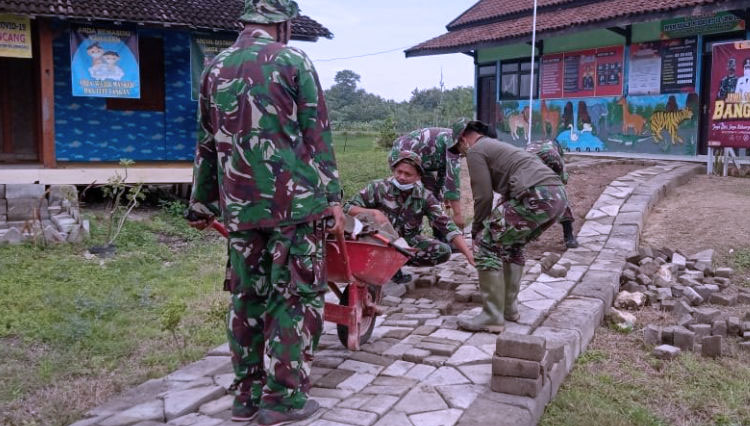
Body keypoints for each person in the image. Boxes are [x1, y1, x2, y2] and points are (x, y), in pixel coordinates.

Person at [186, 1, 344, 424]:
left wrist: (201, 203)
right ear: (283, 24)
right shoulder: (293, 59)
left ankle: (246, 397)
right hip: (295, 207)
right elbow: (317, 134)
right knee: (293, 299)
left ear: (245, 22)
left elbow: (206, 141)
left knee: (247, 298)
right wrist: (333, 198)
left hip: (240, 208)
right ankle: (283, 401)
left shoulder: (214, 68)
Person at [449, 119, 567, 332]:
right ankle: (508, 309)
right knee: (512, 245)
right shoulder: (497, 146)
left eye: (458, 148)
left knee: (486, 244)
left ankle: (491, 316)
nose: (461, 153)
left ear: (463, 138)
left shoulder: (476, 150)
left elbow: (483, 196)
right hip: (556, 197)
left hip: (536, 196)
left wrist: (477, 230)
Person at [344, 151, 474, 278]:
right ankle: (382, 266)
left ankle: (395, 266)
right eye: (399, 172)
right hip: (378, 241)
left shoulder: (425, 196)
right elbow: (347, 208)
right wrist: (373, 212)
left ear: (418, 177)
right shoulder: (377, 187)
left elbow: (447, 225)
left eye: (408, 174)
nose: (401, 177)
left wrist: (468, 254)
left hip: (406, 243)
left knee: (443, 251)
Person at [389, 127, 465, 241]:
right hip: (403, 155)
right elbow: (452, 177)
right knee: (413, 194)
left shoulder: (462, 143)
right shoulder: (454, 141)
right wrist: (458, 215)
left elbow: (444, 171)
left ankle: (441, 235)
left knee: (434, 198)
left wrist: (443, 194)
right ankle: (406, 234)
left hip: (424, 162)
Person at [526, 139, 578, 248]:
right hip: (534, 166)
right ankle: (569, 237)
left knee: (525, 199)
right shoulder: (553, 154)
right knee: (560, 197)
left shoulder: (530, 149)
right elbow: (563, 180)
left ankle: (525, 234)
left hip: (525, 167)